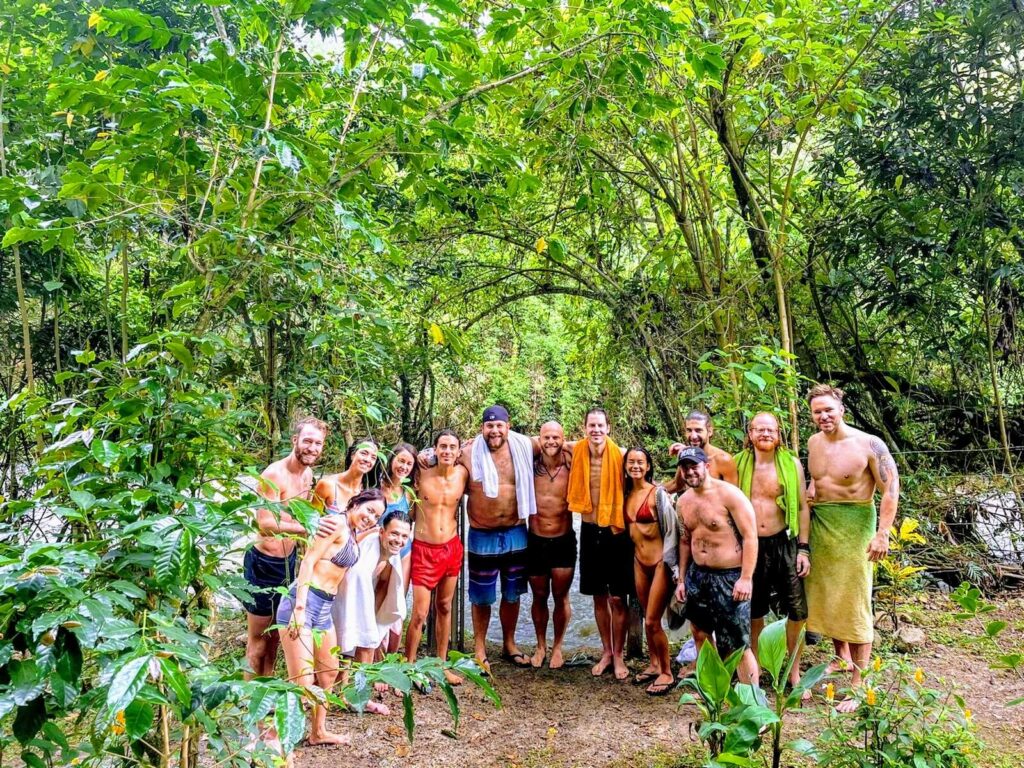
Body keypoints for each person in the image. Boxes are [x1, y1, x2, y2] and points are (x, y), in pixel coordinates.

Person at [803, 384, 899, 712]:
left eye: (829, 409)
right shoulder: (813, 443)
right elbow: (817, 480)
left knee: (856, 597)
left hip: (857, 525)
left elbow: (890, 489)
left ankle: (859, 682)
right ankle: (840, 657)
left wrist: (882, 533)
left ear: (841, 409)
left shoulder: (869, 444)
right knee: (830, 594)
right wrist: (810, 491)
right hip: (822, 526)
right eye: (817, 411)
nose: (824, 416)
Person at [276, 488, 386, 746]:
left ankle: (318, 732)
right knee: (302, 683)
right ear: (356, 503)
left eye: (377, 516)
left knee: (328, 674)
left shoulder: (352, 530)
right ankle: (280, 742)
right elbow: (308, 561)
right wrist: (300, 609)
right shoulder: (336, 524)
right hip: (303, 602)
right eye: (369, 510)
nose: (371, 518)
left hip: (325, 606)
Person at [243, 416, 327, 678]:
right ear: (295, 441)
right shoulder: (273, 474)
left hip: (288, 563)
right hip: (264, 563)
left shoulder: (308, 475)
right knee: (258, 642)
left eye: (318, 443)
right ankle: (249, 707)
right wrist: (308, 529)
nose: (312, 448)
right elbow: (265, 524)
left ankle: (264, 696)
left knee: (275, 637)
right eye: (307, 441)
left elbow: (300, 516)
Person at [734, 412, 811, 696]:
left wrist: (803, 548)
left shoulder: (791, 464)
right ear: (750, 433)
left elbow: (803, 507)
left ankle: (793, 670)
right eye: (759, 429)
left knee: (797, 609)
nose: (765, 434)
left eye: (770, 429)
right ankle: (754, 672)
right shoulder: (737, 464)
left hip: (785, 542)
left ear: (778, 434)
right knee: (752, 610)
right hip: (751, 545)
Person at [674, 447, 759, 685]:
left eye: (694, 466)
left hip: (729, 576)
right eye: (685, 468)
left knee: (737, 644)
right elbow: (684, 540)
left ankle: (752, 704)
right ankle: (713, 690)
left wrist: (746, 577)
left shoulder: (730, 495)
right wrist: (681, 579)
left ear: (706, 466)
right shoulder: (683, 502)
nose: (690, 472)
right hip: (698, 576)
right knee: (700, 633)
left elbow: (750, 536)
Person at [464, 405, 537, 670]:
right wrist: (426, 456)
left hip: (517, 530)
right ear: (482, 427)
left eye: (499, 426)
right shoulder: (468, 452)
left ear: (508, 426)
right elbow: (440, 457)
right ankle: (480, 648)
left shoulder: (525, 446)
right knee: (481, 596)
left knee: (513, 593)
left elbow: (559, 443)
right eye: (489, 426)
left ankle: (509, 644)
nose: (494, 431)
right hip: (482, 533)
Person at [567, 407, 631, 680]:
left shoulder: (623, 454)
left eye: (600, 425)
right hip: (590, 529)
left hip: (616, 531)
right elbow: (540, 440)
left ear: (608, 428)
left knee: (618, 597)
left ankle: (619, 654)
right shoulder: (575, 450)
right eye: (591, 425)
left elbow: (643, 476)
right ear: (584, 428)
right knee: (598, 596)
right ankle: (606, 651)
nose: (595, 430)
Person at [333, 507, 412, 716]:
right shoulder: (368, 549)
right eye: (394, 533)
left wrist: (375, 621)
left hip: (361, 598)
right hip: (341, 597)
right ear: (382, 532)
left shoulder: (391, 554)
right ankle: (356, 696)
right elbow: (353, 585)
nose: (399, 540)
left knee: (366, 640)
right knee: (359, 644)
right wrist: (366, 626)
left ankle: (351, 693)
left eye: (404, 536)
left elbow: (384, 584)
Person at [405, 430, 469, 685]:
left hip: (451, 548)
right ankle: (408, 667)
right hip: (424, 548)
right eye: (442, 446)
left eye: (452, 447)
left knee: (444, 607)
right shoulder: (421, 474)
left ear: (458, 451)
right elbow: (401, 465)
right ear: (435, 449)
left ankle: (441, 665)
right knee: (420, 613)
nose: (447, 451)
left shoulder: (462, 474)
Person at [622, 446, 678, 695]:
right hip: (638, 562)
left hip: (659, 564)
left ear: (648, 466)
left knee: (654, 620)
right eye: (631, 462)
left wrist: (674, 567)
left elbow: (672, 530)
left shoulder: (658, 494)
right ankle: (654, 664)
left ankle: (667, 672)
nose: (635, 466)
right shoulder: (624, 494)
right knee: (647, 618)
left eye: (640, 462)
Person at [527, 421, 575, 669]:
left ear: (564, 439)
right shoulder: (529, 464)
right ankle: (540, 645)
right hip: (534, 540)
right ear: (539, 439)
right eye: (546, 437)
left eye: (556, 437)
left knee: (561, 595)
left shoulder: (571, 464)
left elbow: (599, 447)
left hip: (563, 539)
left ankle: (558, 647)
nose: (551, 442)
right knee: (539, 596)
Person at [380, 443, 418, 653]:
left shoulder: (408, 493)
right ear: (391, 460)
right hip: (380, 552)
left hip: (403, 553)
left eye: (409, 463)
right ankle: (375, 655)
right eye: (400, 461)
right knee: (377, 600)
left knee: (397, 603)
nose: (404, 466)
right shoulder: (376, 488)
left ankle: (392, 657)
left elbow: (410, 521)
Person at [666, 410, 739, 489]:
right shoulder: (686, 455)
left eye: (698, 430)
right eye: (689, 430)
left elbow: (733, 495)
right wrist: (651, 489)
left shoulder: (722, 459)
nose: (693, 436)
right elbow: (676, 485)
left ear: (710, 431)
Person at [314, 437, 379, 512]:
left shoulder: (367, 492)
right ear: (352, 455)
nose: (367, 459)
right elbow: (312, 520)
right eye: (363, 453)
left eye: (373, 457)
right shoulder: (327, 484)